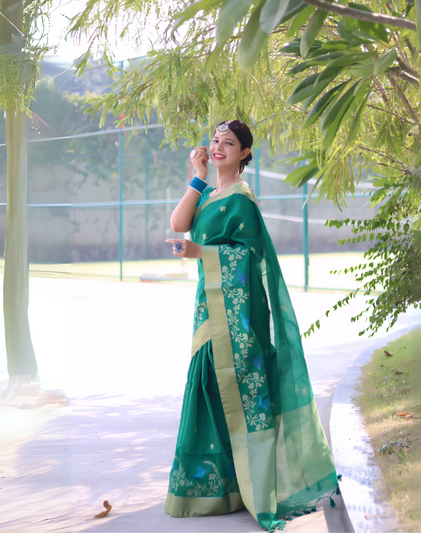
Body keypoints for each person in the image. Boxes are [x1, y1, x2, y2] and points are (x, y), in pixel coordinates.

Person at [165, 120, 338, 532]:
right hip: (210, 308)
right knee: (209, 383)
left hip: (238, 314)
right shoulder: (211, 194)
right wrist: (197, 175)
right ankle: (220, 488)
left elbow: (247, 258)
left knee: (242, 391)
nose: (219, 146)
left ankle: (254, 489)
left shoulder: (241, 200)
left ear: (245, 153)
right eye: (215, 140)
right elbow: (178, 222)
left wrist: (199, 252)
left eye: (229, 142)